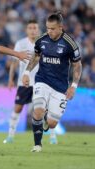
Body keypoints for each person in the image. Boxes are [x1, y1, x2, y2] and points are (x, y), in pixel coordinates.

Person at [22, 12, 82, 152]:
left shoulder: (70, 44)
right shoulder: (42, 40)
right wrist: (26, 72)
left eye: (52, 29)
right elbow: (36, 56)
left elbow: (77, 66)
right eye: (47, 28)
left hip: (60, 86)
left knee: (52, 123)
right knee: (37, 111)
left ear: (61, 27)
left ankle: (47, 115)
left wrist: (73, 86)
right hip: (42, 80)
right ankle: (37, 145)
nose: (49, 31)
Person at [3, 20, 58, 145]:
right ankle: (10, 136)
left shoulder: (45, 43)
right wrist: (10, 79)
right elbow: (15, 62)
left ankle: (53, 137)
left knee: (45, 110)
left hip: (42, 82)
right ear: (26, 30)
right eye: (30, 28)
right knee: (17, 108)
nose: (33, 30)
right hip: (24, 83)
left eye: (35, 28)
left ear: (38, 30)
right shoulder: (20, 44)